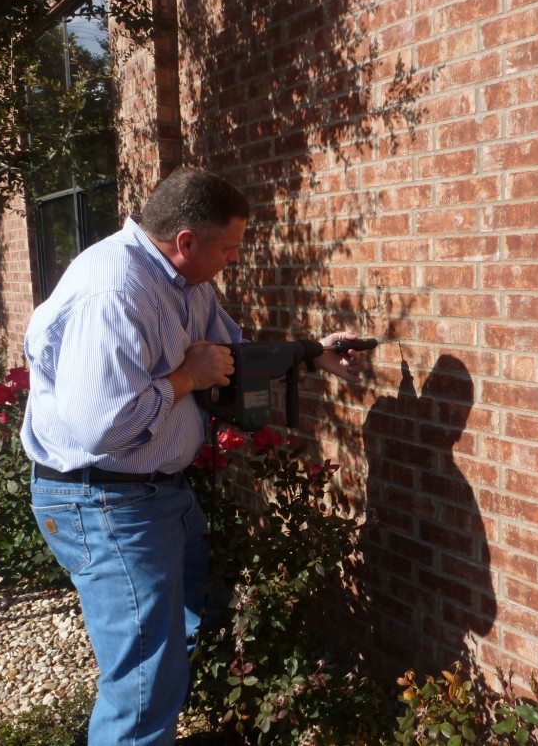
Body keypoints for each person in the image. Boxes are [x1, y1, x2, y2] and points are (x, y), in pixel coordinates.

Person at [20, 166, 363, 745]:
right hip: (103, 499)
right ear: (186, 242)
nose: (233, 259)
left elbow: (230, 352)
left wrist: (309, 353)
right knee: (142, 680)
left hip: (154, 496)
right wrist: (185, 378)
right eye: (228, 248)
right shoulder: (114, 291)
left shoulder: (187, 285)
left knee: (176, 639)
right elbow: (102, 425)